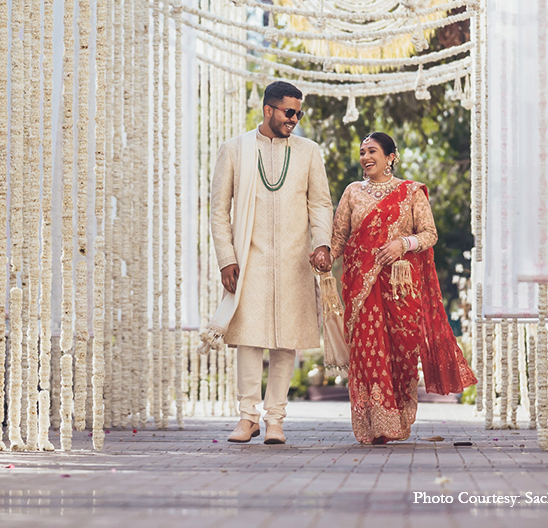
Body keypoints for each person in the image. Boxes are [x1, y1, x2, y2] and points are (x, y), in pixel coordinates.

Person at [204, 81, 334, 446]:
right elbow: (218, 212)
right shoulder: (234, 150)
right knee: (248, 339)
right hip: (250, 258)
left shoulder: (309, 152)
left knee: (285, 342)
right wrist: (226, 258)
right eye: (288, 112)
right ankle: (247, 418)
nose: (294, 119)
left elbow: (320, 204)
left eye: (299, 113)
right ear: (268, 110)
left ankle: (275, 420)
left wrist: (322, 244)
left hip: (295, 260)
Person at [326, 132, 476, 445]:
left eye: (373, 151)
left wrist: (401, 244)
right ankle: (375, 421)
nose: (366, 158)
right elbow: (338, 238)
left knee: (401, 352)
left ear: (391, 156)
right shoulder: (352, 192)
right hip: (362, 287)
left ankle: (397, 415)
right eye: (362, 152)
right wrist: (322, 255)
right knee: (368, 351)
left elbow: (429, 234)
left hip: (400, 285)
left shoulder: (411, 192)